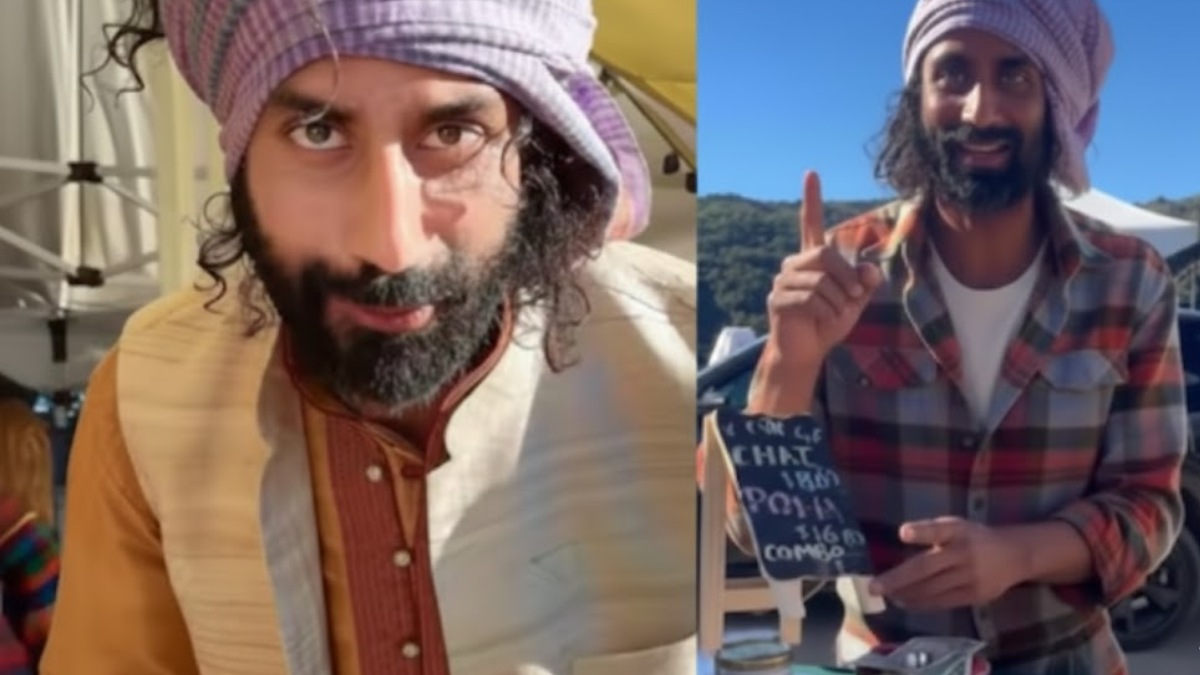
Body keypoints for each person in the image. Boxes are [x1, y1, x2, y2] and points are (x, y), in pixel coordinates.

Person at [43, 1, 696, 674]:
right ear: (239, 154)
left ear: (531, 149)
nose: (392, 246)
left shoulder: (690, 357)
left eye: (453, 133)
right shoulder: (148, 392)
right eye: (318, 132)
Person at [705, 1, 1186, 674]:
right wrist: (791, 359)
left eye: (1015, 76)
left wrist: (1019, 554)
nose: (980, 110)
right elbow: (763, 540)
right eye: (953, 73)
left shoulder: (1130, 282)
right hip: (882, 659)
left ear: (1056, 104)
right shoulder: (840, 275)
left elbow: (1149, 505)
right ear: (916, 95)